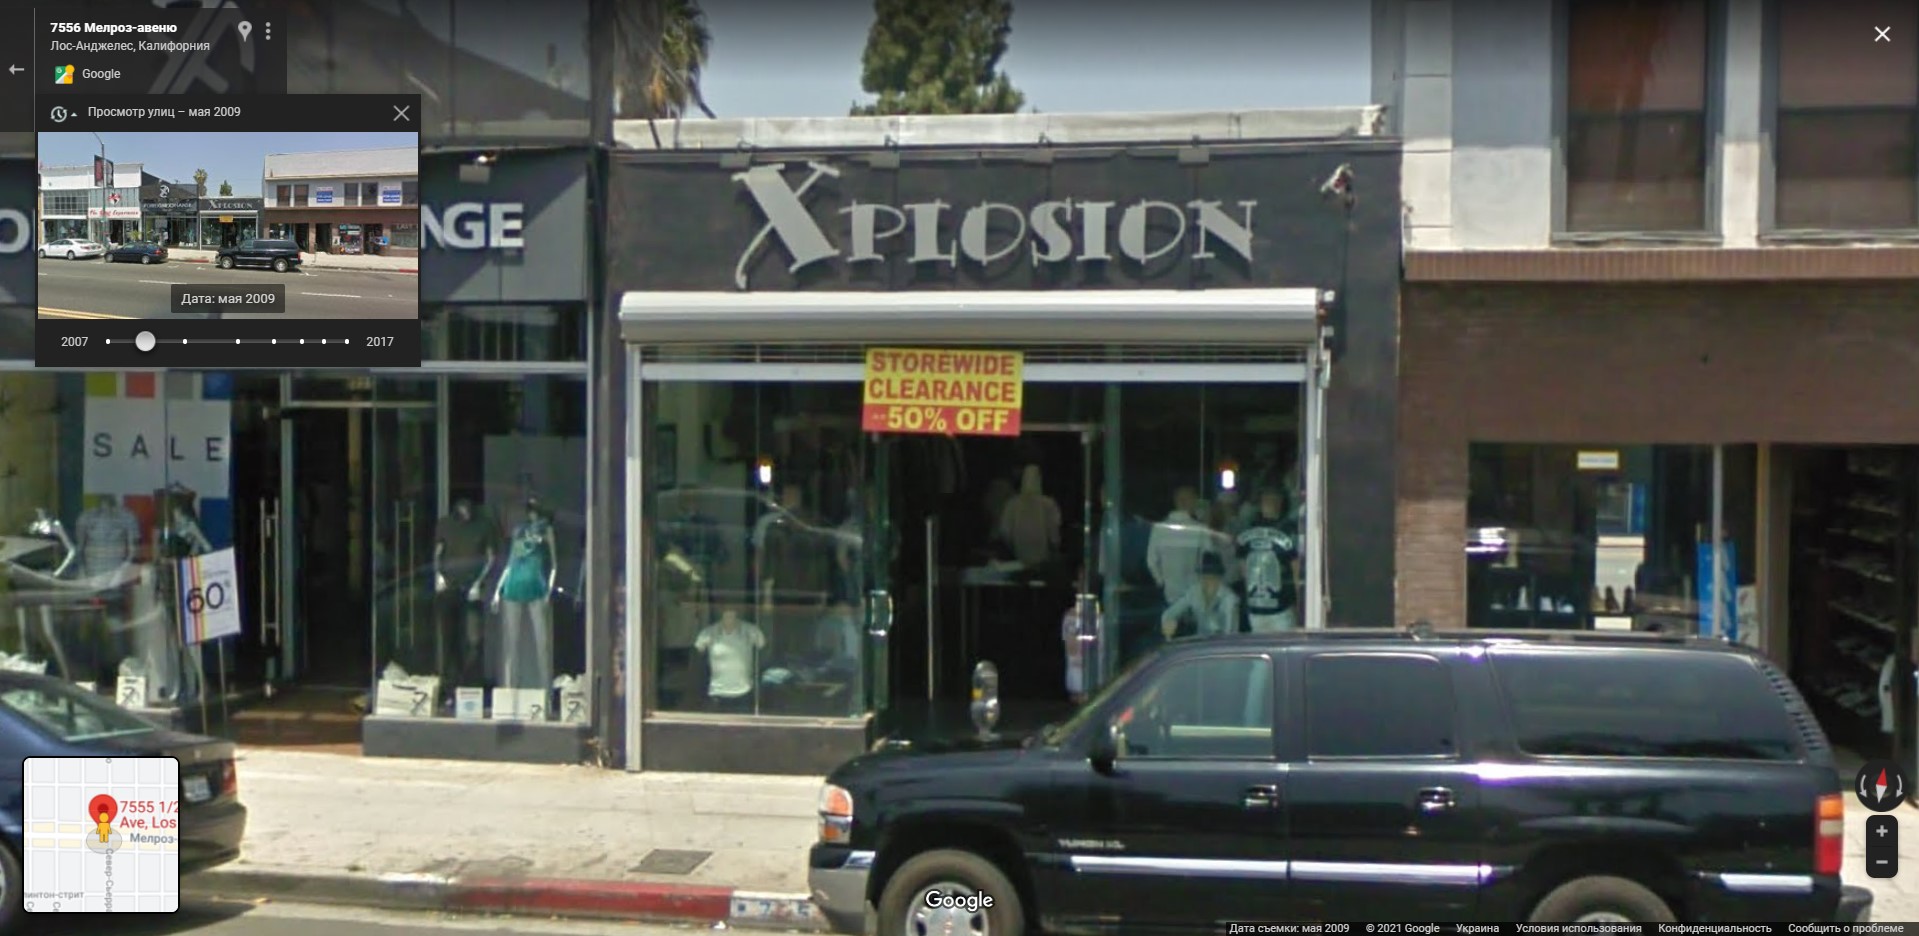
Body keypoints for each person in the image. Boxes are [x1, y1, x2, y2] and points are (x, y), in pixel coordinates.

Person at [1237, 489, 1302, 632]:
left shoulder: (1287, 529)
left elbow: (1296, 571)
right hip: (1258, 609)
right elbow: (1244, 571)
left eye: (1273, 500)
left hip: (1280, 608)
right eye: (1267, 500)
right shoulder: (1251, 527)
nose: (1269, 503)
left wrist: (1299, 604)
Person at [1161, 554, 1239, 639]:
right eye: (1205, 578)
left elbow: (1230, 634)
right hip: (1200, 642)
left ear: (1220, 578)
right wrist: (1168, 633)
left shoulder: (1229, 599)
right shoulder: (1194, 592)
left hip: (1221, 644)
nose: (1209, 583)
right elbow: (1168, 614)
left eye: (1213, 578)